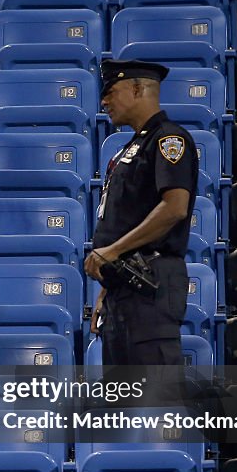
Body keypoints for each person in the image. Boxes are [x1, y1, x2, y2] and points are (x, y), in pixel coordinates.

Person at [84, 60, 198, 366]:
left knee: (154, 397)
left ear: (138, 89)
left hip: (150, 282)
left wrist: (112, 252)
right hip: (123, 286)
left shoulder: (167, 139)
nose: (104, 101)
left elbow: (174, 207)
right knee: (122, 401)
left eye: (111, 91)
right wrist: (106, 290)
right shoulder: (129, 148)